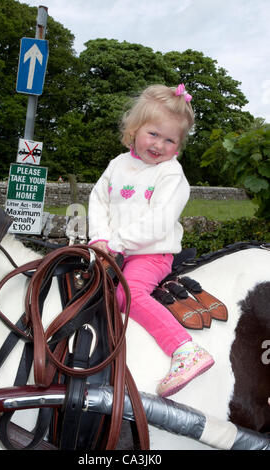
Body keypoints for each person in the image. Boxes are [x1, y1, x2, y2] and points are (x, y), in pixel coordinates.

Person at [88, 84, 214, 397]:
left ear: (179, 146)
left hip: (151, 254)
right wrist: (100, 238)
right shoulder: (118, 164)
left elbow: (157, 223)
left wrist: (116, 242)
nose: (159, 145)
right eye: (153, 134)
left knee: (126, 294)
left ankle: (184, 349)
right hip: (114, 249)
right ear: (135, 129)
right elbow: (98, 200)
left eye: (170, 140)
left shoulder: (172, 175)